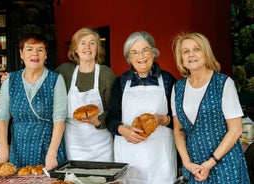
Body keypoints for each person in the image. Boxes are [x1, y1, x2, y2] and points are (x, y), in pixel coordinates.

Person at [171, 32, 250, 183]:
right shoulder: (178, 88)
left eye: (197, 49)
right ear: (181, 58)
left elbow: (236, 130)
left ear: (206, 53)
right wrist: (186, 163)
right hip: (195, 168)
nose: (191, 55)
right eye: (185, 51)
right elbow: (178, 130)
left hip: (226, 166)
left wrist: (211, 162)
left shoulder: (224, 83)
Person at [106, 31, 177, 184]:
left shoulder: (167, 80)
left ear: (153, 52)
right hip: (129, 155)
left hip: (161, 158)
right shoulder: (121, 83)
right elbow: (111, 119)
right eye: (135, 52)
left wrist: (163, 119)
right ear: (129, 58)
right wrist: (123, 130)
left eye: (145, 50)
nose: (141, 56)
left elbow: (180, 120)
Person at [0, 33, 67, 170]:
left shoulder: (56, 80)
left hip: (48, 147)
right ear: (21, 53)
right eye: (29, 49)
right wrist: (4, 151)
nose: (35, 54)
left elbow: (60, 119)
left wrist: (52, 154)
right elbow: (2, 118)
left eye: (40, 50)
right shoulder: (10, 80)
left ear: (45, 55)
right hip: (18, 149)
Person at [55, 28, 115, 162]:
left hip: (101, 144)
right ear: (75, 48)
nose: (87, 47)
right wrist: (11, 78)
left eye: (92, 43)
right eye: (82, 43)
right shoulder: (65, 71)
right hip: (74, 143)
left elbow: (113, 110)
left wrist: (97, 121)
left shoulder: (106, 74)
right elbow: (41, 80)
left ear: (97, 48)